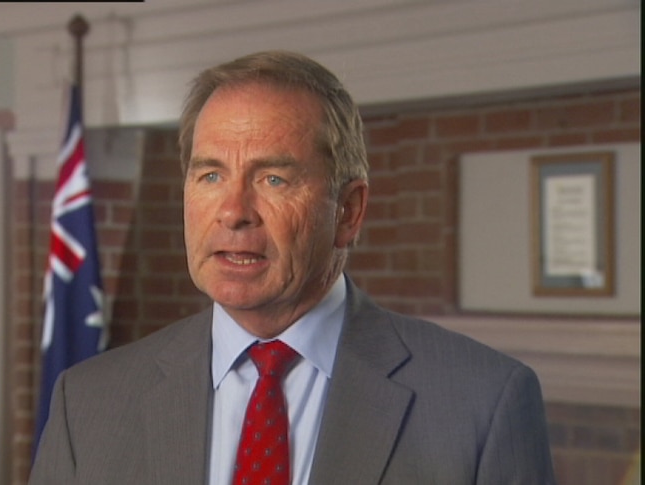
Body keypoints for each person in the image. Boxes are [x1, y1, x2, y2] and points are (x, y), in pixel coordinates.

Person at [29, 50, 556, 484]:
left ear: (347, 211)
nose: (233, 212)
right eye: (210, 175)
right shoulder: (89, 403)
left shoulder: (481, 404)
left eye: (273, 179)